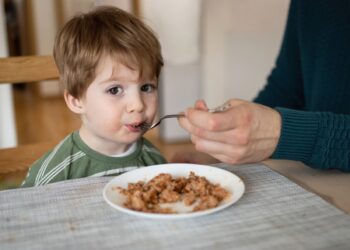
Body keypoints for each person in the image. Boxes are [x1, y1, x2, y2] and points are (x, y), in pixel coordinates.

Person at [176, 0, 350, 172]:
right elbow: (286, 89)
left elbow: (280, 128)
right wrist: (225, 145)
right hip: (312, 175)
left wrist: (284, 134)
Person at [22, 6, 166, 187]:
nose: (137, 104)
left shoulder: (155, 160)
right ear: (76, 101)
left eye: (146, 87)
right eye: (115, 90)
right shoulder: (56, 172)